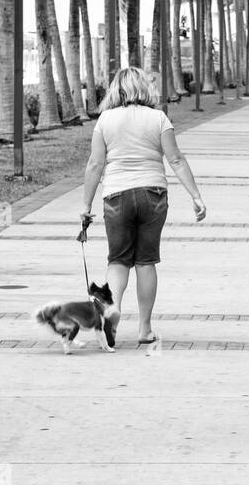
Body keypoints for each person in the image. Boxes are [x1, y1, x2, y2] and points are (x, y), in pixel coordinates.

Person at [81, 67, 207, 346]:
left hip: (116, 196)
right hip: (153, 195)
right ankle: (144, 329)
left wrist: (86, 205)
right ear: (144, 88)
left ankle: (110, 318)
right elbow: (176, 159)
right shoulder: (158, 118)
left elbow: (95, 164)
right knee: (146, 261)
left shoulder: (105, 120)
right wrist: (195, 196)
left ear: (116, 89)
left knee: (117, 261)